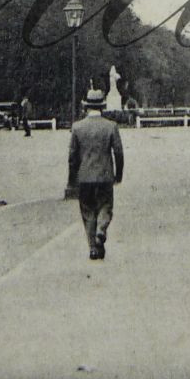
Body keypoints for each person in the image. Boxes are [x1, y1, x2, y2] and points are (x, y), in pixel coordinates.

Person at [67, 86, 124, 260]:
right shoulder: (111, 126)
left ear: (86, 107)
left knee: (87, 211)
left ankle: (92, 247)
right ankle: (101, 230)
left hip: (84, 177)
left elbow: (72, 157)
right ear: (102, 107)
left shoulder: (77, 128)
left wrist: (72, 180)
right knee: (106, 206)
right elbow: (119, 152)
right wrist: (118, 174)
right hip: (105, 175)